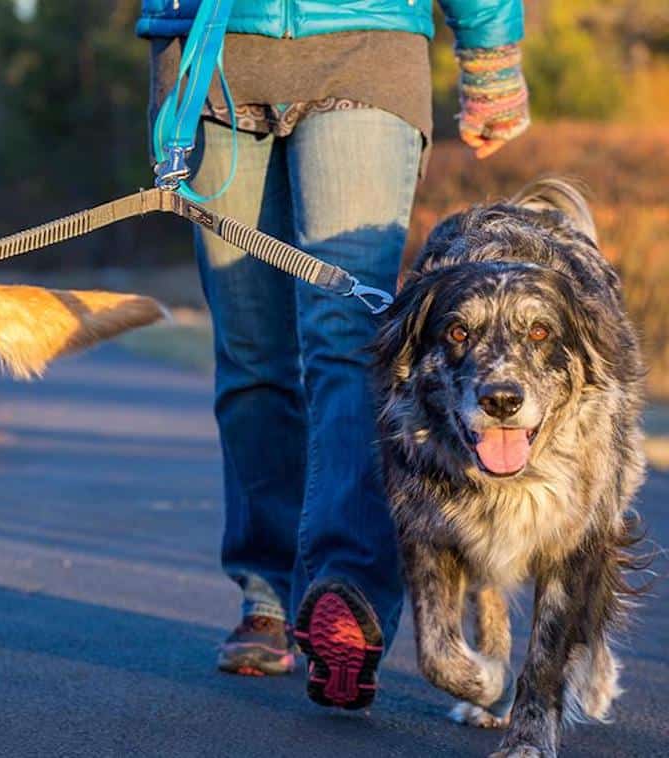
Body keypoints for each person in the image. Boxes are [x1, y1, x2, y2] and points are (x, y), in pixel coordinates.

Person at [138, 0, 530, 708]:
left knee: (348, 340)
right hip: (214, 48)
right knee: (252, 356)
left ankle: (346, 595)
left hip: (366, 43)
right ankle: (267, 589)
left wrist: (491, 51)